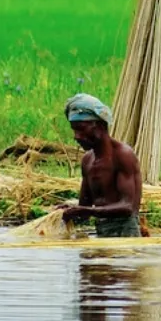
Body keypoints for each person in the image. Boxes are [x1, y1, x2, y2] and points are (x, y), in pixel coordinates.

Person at [60, 94, 143, 237]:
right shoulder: (87, 160)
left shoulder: (123, 155)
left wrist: (87, 211)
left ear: (99, 125)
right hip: (101, 231)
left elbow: (127, 207)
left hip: (126, 233)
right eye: (74, 130)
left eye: (81, 129)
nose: (76, 136)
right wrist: (68, 211)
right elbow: (85, 209)